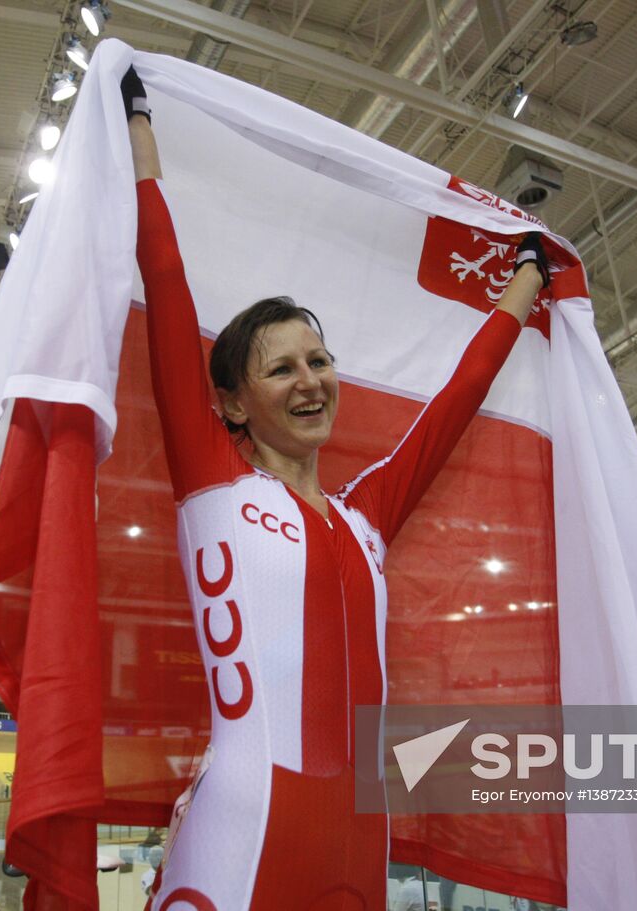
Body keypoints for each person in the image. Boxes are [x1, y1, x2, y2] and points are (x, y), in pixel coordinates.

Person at [123, 66, 548, 908]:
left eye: (319, 360)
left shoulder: (365, 520)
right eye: (280, 368)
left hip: (362, 836)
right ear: (231, 403)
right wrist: (138, 125)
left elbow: (453, 409)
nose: (310, 379)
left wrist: (527, 282)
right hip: (244, 834)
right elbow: (165, 279)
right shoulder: (212, 483)